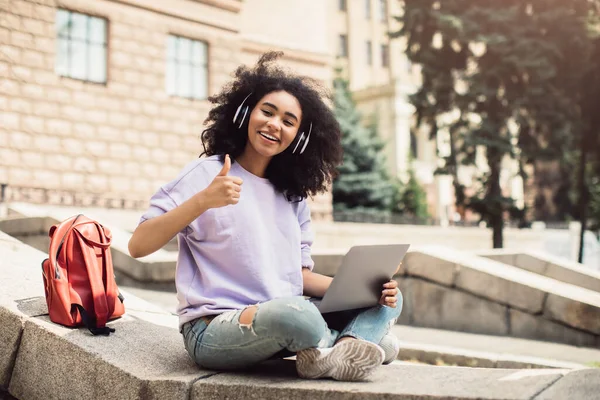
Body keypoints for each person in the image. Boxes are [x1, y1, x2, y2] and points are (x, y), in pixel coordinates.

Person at [128, 52, 402, 381]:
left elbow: (297, 275)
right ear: (246, 113)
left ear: (298, 136)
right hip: (214, 328)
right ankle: (346, 342)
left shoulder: (291, 195)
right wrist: (204, 200)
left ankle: (332, 348)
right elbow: (138, 245)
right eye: (267, 112)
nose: (275, 125)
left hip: (281, 313)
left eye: (288, 121)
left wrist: (364, 288)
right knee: (303, 317)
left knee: (389, 300)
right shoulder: (208, 175)